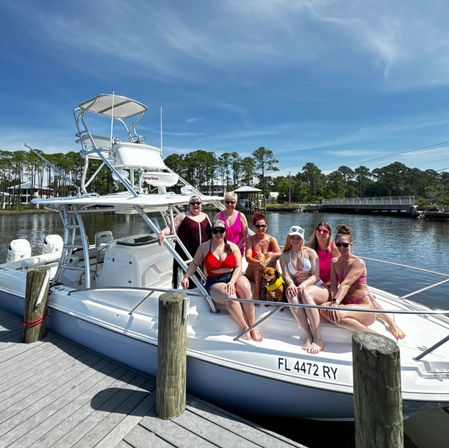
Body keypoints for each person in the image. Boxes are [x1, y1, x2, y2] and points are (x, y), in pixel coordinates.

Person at [181, 220, 262, 342]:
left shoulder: (233, 247)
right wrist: (186, 276)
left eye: (221, 231)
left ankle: (253, 327)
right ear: (211, 232)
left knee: (245, 287)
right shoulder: (204, 247)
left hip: (233, 276)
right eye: (215, 231)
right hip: (215, 280)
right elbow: (194, 264)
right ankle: (245, 327)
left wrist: (232, 281)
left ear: (225, 232)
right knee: (229, 294)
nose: (218, 234)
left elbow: (238, 267)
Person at [320, 224, 405, 339]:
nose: (341, 247)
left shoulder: (358, 263)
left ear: (351, 245)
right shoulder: (334, 261)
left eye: (345, 245)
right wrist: (336, 301)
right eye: (338, 244)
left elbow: (345, 284)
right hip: (346, 302)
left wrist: (335, 304)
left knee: (337, 315)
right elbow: (334, 284)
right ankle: (358, 323)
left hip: (363, 304)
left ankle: (375, 334)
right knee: (323, 308)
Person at [280, 225, 330, 354]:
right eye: (293, 237)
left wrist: (304, 284)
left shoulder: (310, 252)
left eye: (298, 238)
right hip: (299, 289)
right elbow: (287, 276)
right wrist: (291, 284)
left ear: (302, 239)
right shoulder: (284, 256)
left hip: (318, 287)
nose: (295, 240)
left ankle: (318, 339)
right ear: (289, 238)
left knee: (305, 292)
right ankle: (309, 335)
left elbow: (316, 275)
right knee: (290, 294)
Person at [158, 195, 211, 288]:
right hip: (188, 252)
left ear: (201, 205)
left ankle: (204, 292)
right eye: (193, 203)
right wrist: (162, 232)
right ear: (189, 205)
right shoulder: (182, 216)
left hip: (204, 252)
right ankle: (191, 295)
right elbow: (171, 228)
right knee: (192, 278)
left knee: (204, 275)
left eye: (198, 203)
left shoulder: (205, 216)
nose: (195, 205)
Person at [245, 213, 281, 300]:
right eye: (258, 226)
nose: (261, 228)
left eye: (263, 226)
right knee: (260, 256)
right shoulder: (250, 239)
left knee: (270, 255)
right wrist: (259, 262)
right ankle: (258, 289)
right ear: (254, 227)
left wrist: (267, 260)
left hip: (266, 274)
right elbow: (247, 257)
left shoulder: (271, 239)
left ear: (266, 226)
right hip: (252, 272)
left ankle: (265, 288)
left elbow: (279, 252)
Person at [306, 222, 339, 286]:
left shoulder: (335, 249)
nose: (321, 233)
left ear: (329, 234)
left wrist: (324, 284)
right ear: (315, 232)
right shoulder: (308, 246)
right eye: (318, 230)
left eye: (325, 231)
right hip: (311, 282)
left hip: (329, 284)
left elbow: (339, 273)